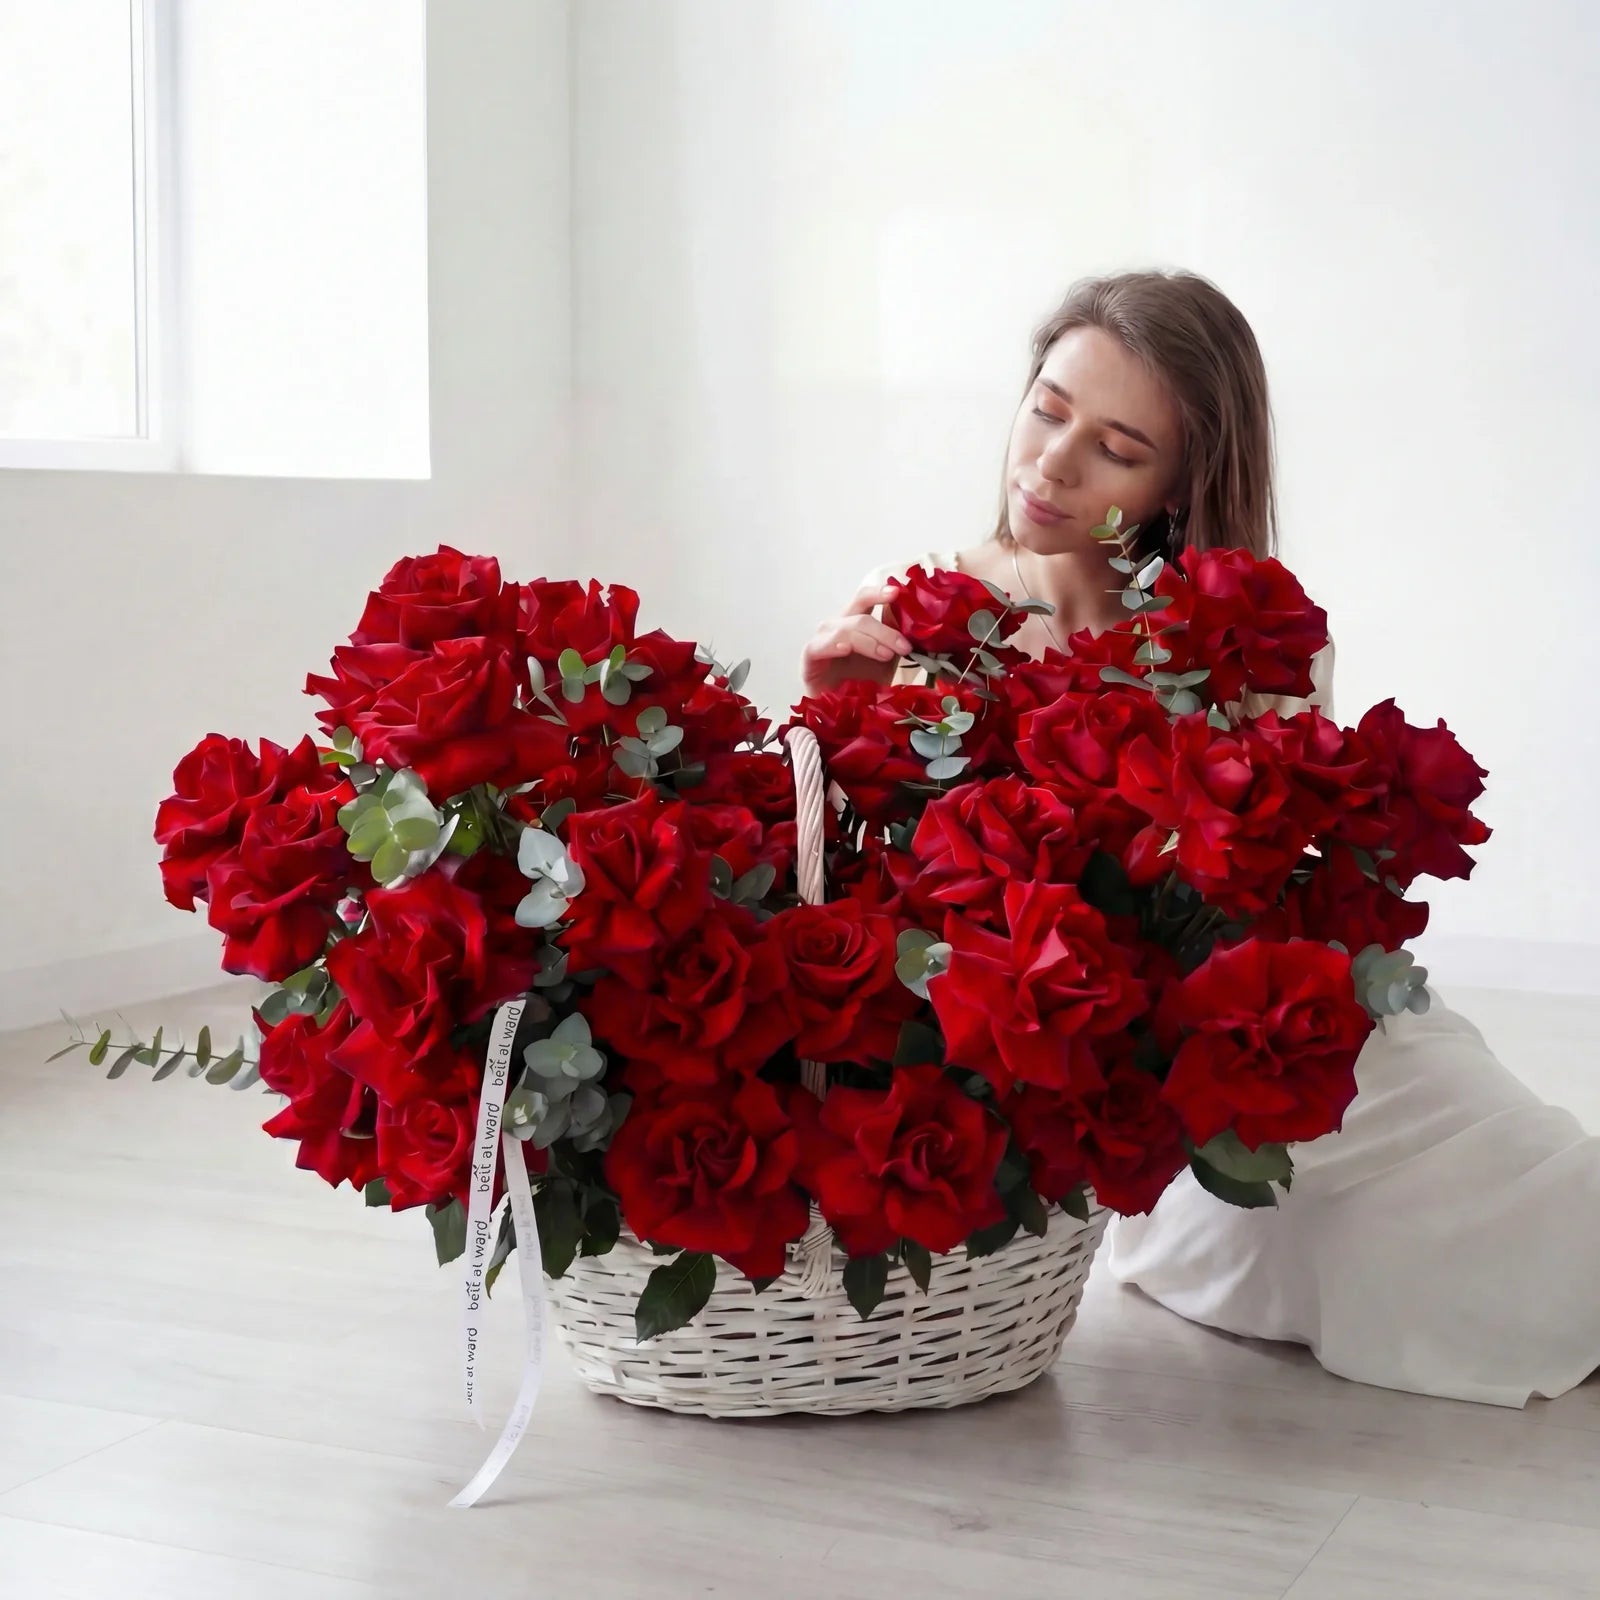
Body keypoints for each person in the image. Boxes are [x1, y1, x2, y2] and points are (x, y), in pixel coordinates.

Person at [800, 269, 1598, 1407]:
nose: (1051, 463)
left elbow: (1276, 889)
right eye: (1047, 406)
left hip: (1292, 1023)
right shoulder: (927, 616)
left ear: (1182, 485)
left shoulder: (1244, 627)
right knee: (1370, 1258)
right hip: (1128, 1076)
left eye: (1117, 448)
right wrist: (833, 714)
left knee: (1520, 1175)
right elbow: (863, 894)